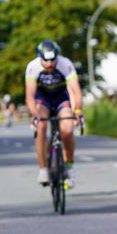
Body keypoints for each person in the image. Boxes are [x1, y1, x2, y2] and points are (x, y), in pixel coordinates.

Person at [24, 40, 83, 188]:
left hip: (61, 98)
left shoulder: (65, 64)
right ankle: (43, 169)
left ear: (57, 57)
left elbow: (76, 92)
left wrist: (78, 111)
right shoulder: (33, 67)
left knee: (68, 130)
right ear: (40, 58)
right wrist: (34, 114)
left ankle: (69, 168)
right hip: (42, 99)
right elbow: (30, 95)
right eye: (46, 61)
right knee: (42, 126)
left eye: (52, 60)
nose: (49, 64)